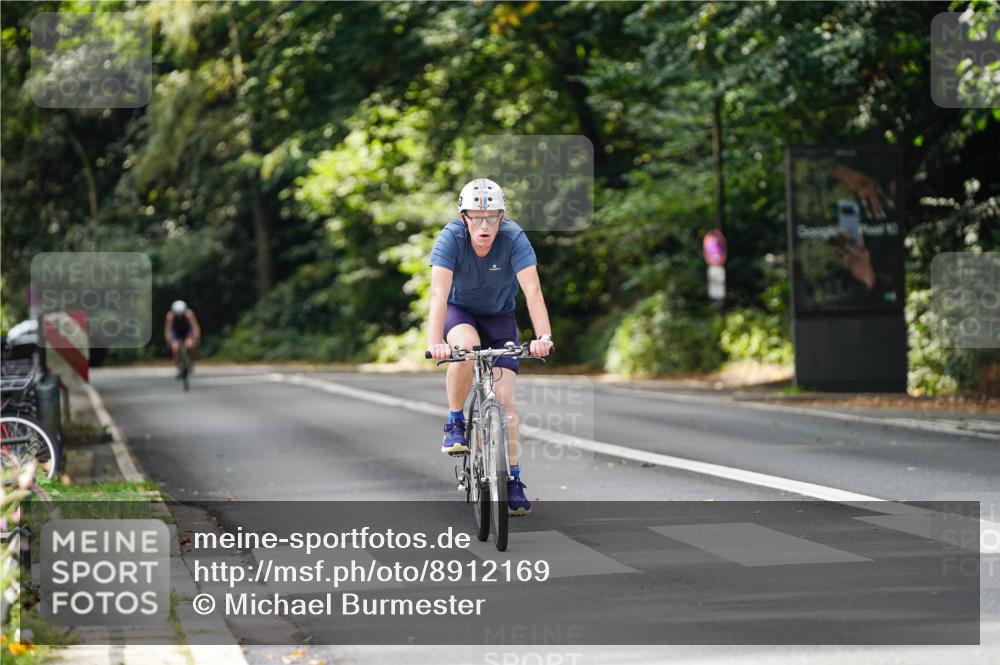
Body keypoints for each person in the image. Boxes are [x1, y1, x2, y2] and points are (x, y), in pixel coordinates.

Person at [427, 178, 554, 516]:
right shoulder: (450, 238)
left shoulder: (514, 238)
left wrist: (543, 337)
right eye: (475, 217)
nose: (484, 225)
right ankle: (455, 421)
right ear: (463, 217)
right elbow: (439, 295)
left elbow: (533, 292)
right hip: (461, 312)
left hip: (500, 318)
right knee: (466, 348)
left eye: (492, 217)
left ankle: (511, 478)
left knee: (505, 398)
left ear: (503, 216)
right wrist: (435, 342)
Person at [164, 300, 201, 377]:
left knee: (190, 345)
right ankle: (179, 367)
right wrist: (169, 341)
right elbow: (168, 330)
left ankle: (192, 362)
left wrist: (196, 338)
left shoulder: (189, 314)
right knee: (175, 348)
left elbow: (195, 327)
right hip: (176, 332)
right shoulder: (170, 316)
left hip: (187, 331)